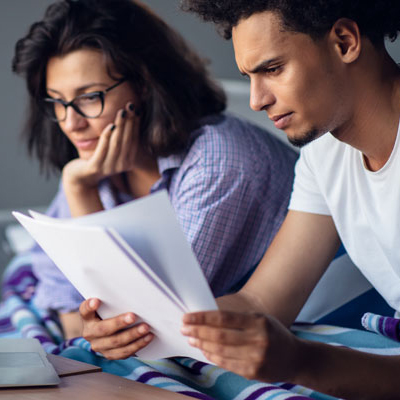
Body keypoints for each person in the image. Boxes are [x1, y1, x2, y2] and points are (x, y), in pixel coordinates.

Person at [10, 0, 297, 351]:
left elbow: (143, 322)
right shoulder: (97, 162)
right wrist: (78, 182)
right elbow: (58, 295)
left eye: (90, 97)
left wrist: (80, 191)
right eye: (58, 101)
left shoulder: (219, 163)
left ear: (143, 86)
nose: (72, 122)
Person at [167, 1, 400, 399]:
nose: (258, 100)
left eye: (273, 69)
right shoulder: (323, 155)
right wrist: (145, 326)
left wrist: (301, 361)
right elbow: (261, 301)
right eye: (249, 77)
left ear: (345, 42)